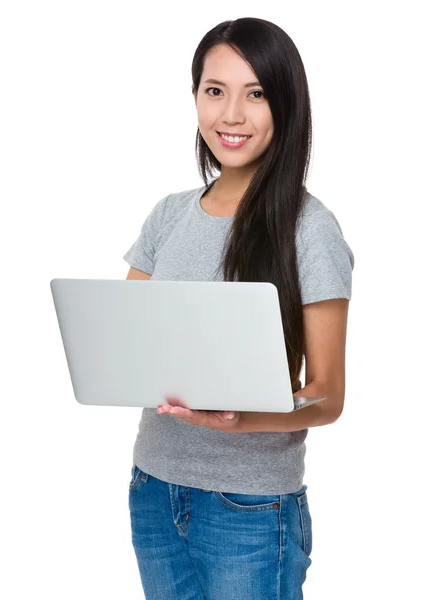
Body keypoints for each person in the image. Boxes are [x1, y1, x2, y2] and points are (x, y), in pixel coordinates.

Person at [123, 17, 354, 600]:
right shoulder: (169, 215)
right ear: (195, 96)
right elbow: (126, 337)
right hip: (153, 487)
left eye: (256, 94)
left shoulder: (310, 228)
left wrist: (241, 418)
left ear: (286, 104)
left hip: (247, 505)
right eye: (214, 91)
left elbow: (327, 397)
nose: (231, 115)